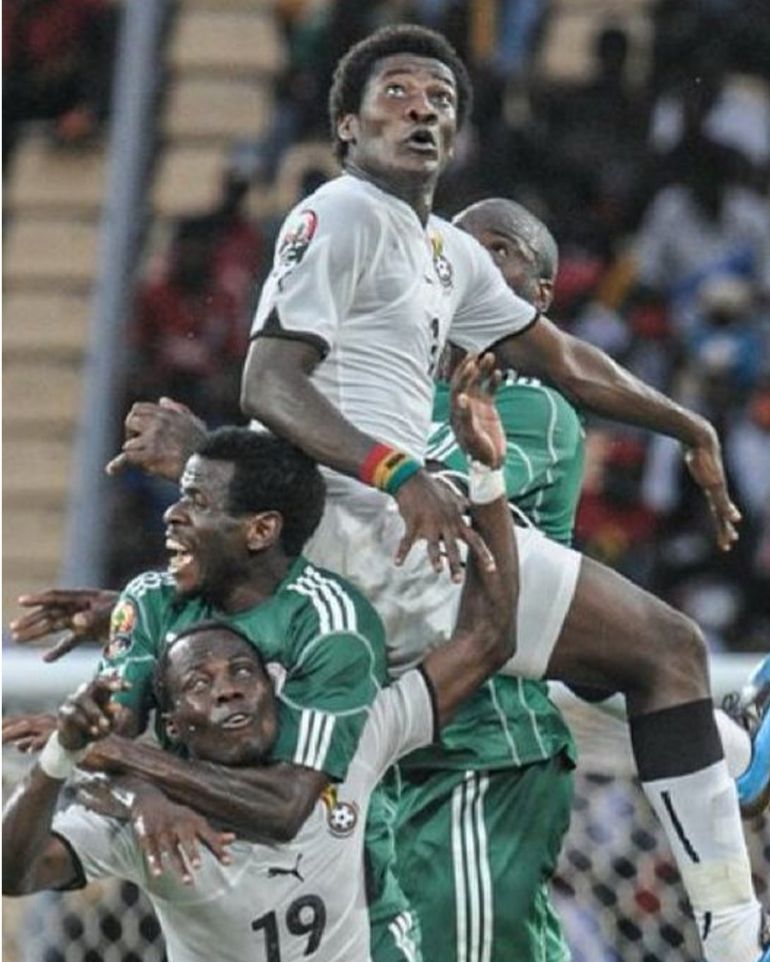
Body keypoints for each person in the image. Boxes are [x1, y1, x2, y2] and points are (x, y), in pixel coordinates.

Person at [8, 24, 770, 962]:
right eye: (399, 93)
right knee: (642, 655)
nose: (423, 110)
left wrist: (687, 425)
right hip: (363, 540)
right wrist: (398, 473)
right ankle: (733, 903)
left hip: (399, 554)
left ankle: (732, 859)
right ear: (346, 124)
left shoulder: (446, 251)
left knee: (643, 655)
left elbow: (564, 357)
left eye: (441, 99)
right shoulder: (338, 215)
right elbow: (269, 382)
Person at [3, 354, 519, 962]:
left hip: (352, 899)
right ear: (173, 722)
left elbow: (286, 805)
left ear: (259, 532)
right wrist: (133, 792)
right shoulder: (151, 602)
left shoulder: (332, 626)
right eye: (198, 682)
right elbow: (96, 741)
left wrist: (488, 479)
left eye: (196, 499)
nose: (171, 512)